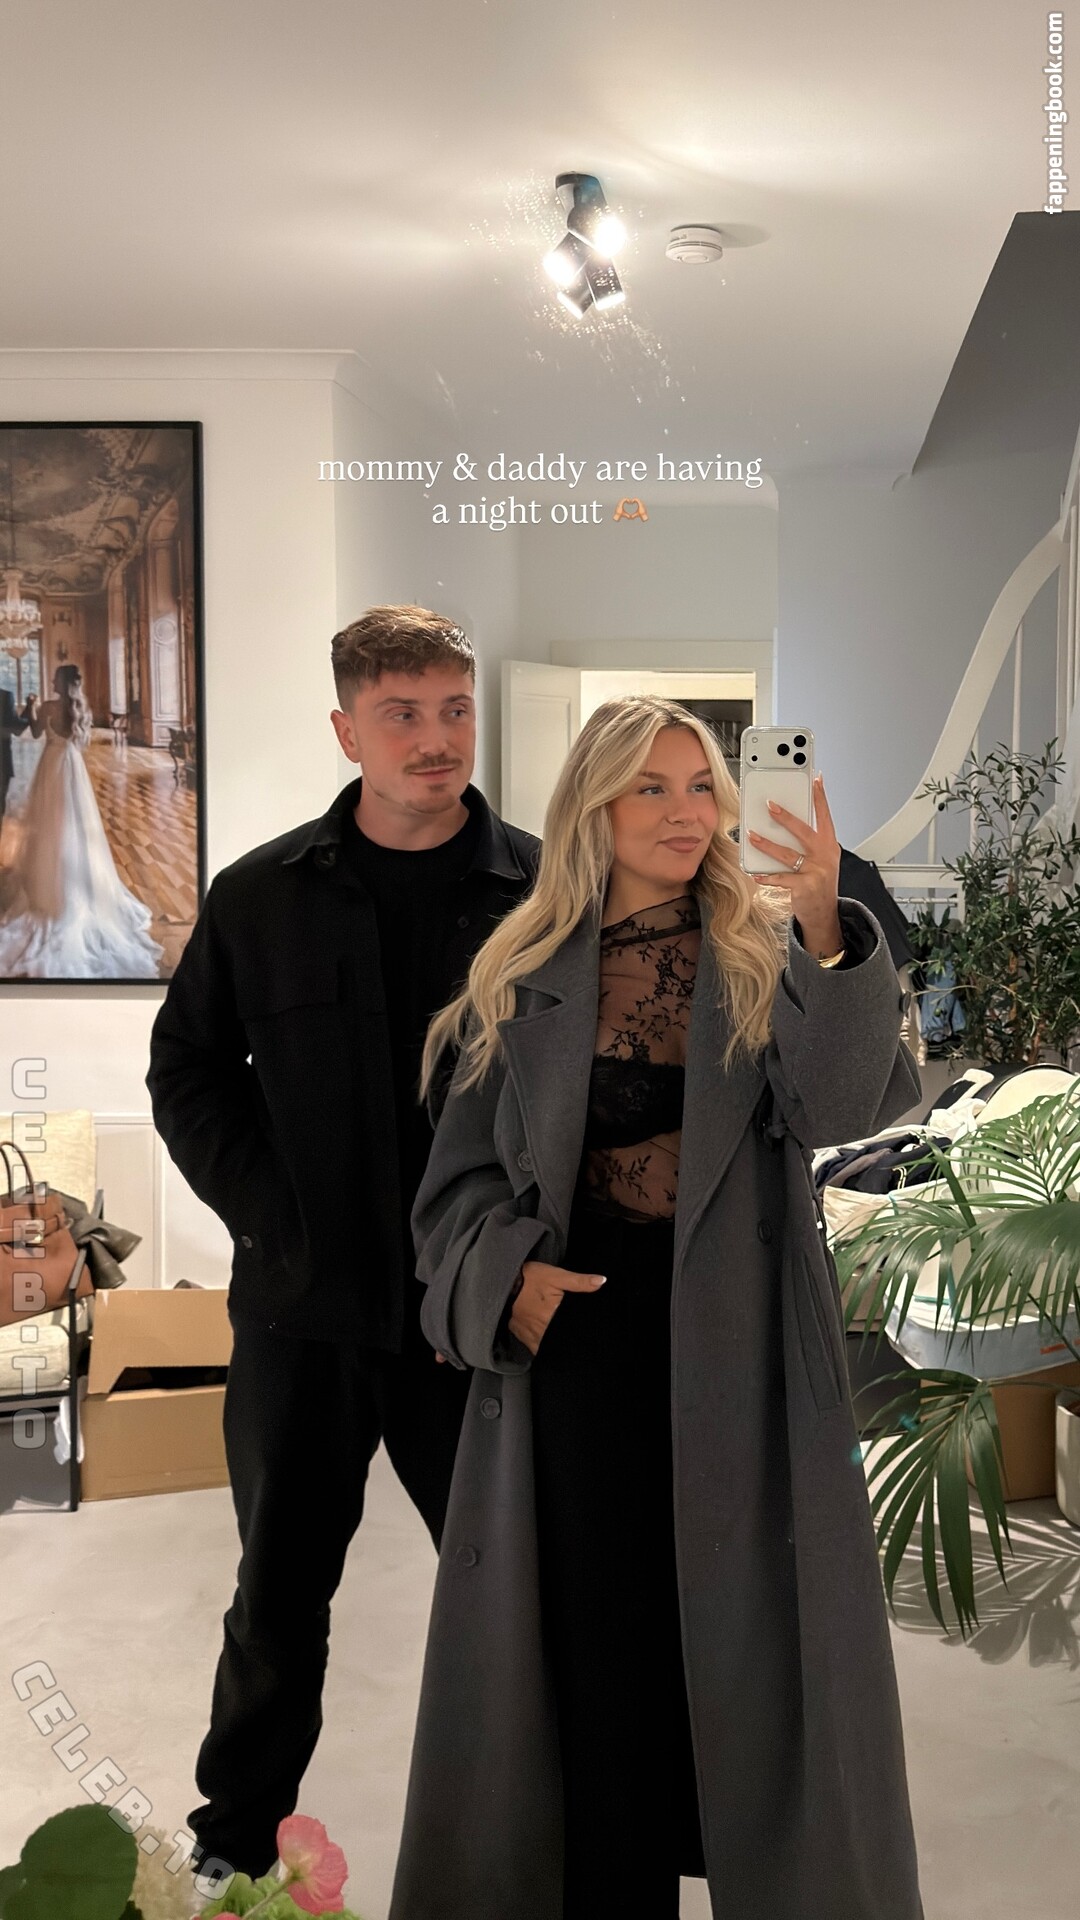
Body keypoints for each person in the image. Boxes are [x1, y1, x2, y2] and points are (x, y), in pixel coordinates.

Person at [391, 696, 925, 1920]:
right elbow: (454, 1194)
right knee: (596, 1664)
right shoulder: (517, 974)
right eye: (653, 787)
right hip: (577, 1358)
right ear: (595, 806)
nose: (687, 813)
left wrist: (823, 925)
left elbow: (847, 1108)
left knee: (746, 1661)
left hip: (745, 1353)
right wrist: (509, 1284)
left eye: (701, 787)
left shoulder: (762, 952)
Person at [145, 605, 539, 1879]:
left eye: (454, 710)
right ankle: (232, 1851)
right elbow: (187, 1070)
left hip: (471, 1322)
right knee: (276, 1601)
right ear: (345, 729)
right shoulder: (260, 896)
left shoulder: (544, 895)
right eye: (401, 714)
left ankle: (545, 1846)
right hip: (301, 1318)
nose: (436, 740)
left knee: (519, 1599)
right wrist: (270, 1213)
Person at [0, 664, 163, 979]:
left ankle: (48, 887)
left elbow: (35, 732)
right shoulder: (80, 708)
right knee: (74, 824)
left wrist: (31, 706)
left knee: (48, 826)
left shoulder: (48, 706)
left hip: (49, 766)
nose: (51, 680)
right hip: (71, 767)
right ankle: (76, 886)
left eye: (54, 678)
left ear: (60, 682)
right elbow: (81, 743)